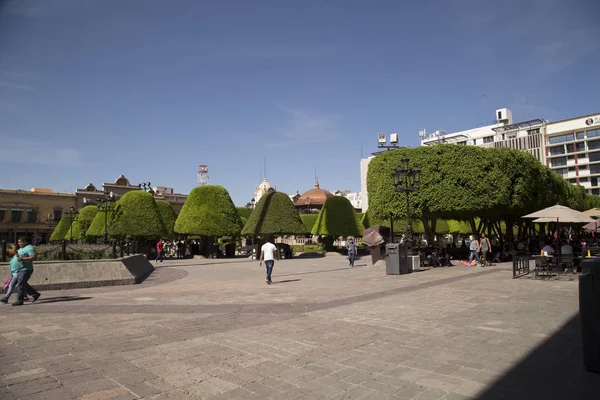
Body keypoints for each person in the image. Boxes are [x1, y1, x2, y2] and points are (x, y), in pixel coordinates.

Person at [12, 237, 41, 306]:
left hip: (26, 269)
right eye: (18, 242)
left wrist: (22, 258)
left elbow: (34, 257)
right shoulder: (21, 249)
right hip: (20, 269)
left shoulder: (29, 248)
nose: (19, 244)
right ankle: (35, 294)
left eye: (20, 242)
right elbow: (18, 257)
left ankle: (20, 300)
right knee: (22, 283)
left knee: (21, 283)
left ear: (24, 242)